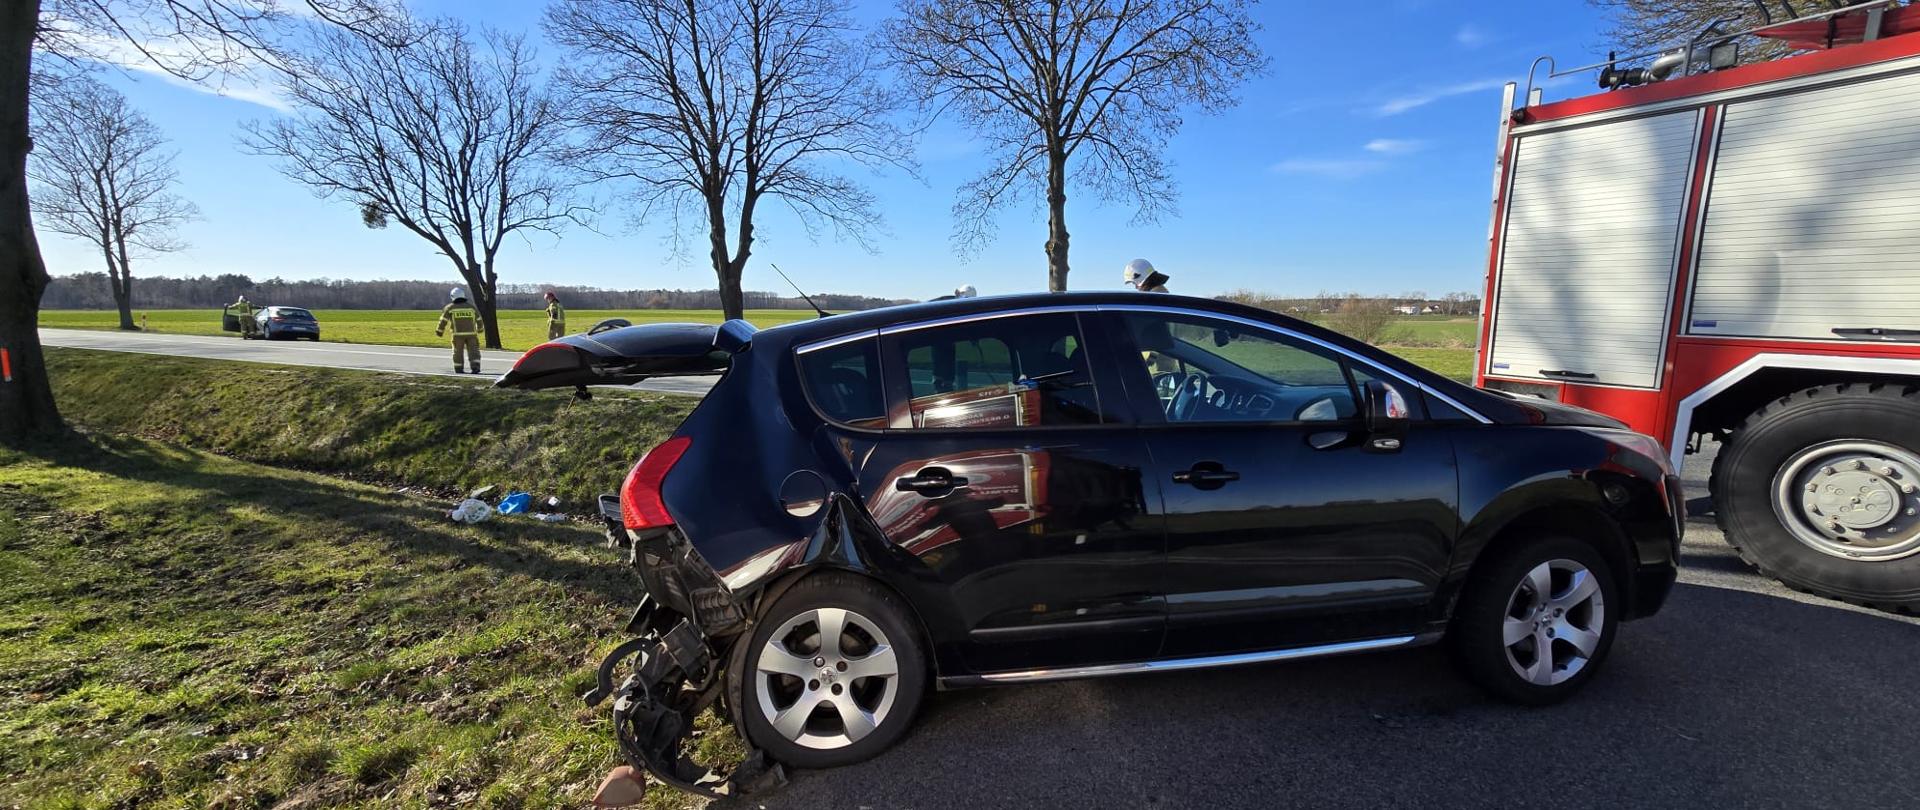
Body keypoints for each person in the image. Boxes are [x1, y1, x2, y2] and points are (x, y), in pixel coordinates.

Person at [436, 288, 483, 374]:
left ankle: (459, 368)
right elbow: (479, 319)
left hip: (457, 335)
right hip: (471, 334)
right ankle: (475, 366)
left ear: (453, 296)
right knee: (474, 351)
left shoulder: (450, 307)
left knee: (458, 352)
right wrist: (480, 329)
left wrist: (439, 330)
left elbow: (443, 320)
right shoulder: (471, 307)